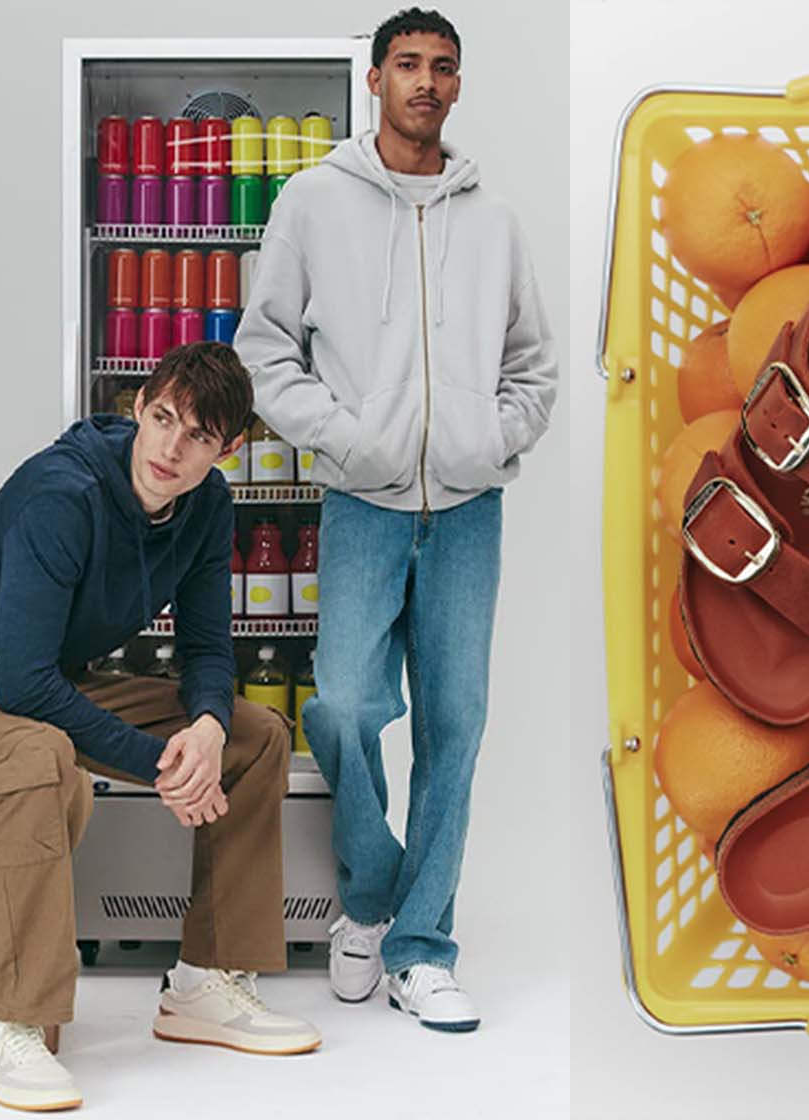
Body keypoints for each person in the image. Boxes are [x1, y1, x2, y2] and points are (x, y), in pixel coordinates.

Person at [236, 6, 557, 1033]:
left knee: (455, 729)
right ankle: (368, 894)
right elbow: (263, 346)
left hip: (468, 510)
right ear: (374, 79)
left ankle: (422, 947)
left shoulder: (493, 219)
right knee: (341, 707)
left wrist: (490, 439)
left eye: (443, 67)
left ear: (458, 87)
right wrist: (345, 437)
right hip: (362, 502)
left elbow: (535, 367)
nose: (425, 81)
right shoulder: (310, 203)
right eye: (408, 64)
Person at [0, 343, 321, 1113]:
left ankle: (206, 983)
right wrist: (169, 763)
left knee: (256, 736)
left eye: (198, 437)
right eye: (162, 419)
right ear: (139, 407)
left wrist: (206, 729)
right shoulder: (61, 495)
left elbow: (204, 647)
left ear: (226, 451)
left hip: (48, 674)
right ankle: (2, 1024)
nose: (170, 448)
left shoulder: (207, 506)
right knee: (38, 754)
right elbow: (22, 686)